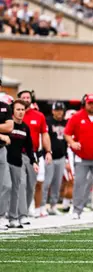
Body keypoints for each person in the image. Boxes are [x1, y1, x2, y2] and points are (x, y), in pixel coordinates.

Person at [18, 90, 52, 225]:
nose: (26, 99)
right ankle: (17, 212)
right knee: (19, 184)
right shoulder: (13, 113)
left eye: (28, 97)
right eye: (23, 97)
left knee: (32, 184)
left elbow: (44, 134)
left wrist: (48, 151)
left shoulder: (38, 115)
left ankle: (29, 210)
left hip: (33, 154)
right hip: (17, 153)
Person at [6, 100, 39, 228]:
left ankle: (13, 218)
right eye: (18, 109)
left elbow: (29, 147)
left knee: (15, 190)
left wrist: (33, 161)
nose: (20, 112)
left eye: (22, 110)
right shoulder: (7, 125)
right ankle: (3, 216)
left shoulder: (25, 128)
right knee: (5, 187)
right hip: (4, 161)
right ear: (12, 111)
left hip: (17, 162)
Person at [40, 102, 68, 216]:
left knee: (57, 183)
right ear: (53, 111)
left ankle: (53, 206)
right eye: (57, 110)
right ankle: (41, 206)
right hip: (49, 156)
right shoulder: (48, 121)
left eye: (61, 110)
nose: (59, 112)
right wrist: (47, 152)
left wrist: (66, 156)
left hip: (61, 157)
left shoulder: (66, 123)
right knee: (46, 182)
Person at [0, 79, 14, 230]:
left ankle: (1, 216)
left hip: (1, 150)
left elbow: (9, 127)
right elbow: (5, 130)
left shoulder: (4, 107)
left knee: (5, 185)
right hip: (2, 142)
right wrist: (1, 135)